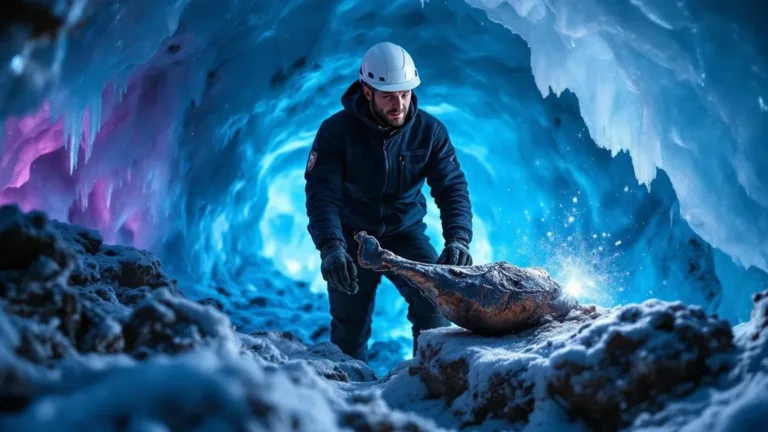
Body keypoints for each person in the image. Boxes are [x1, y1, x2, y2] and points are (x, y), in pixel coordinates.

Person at [304, 41, 474, 362]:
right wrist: (331, 246)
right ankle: (347, 396)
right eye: (389, 96)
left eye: (405, 94)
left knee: (435, 309)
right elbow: (321, 194)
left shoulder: (430, 132)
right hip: (352, 238)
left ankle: (428, 385)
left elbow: (451, 188)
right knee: (349, 328)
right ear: (367, 92)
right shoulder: (335, 132)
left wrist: (459, 238)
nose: (399, 105)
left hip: (405, 235)